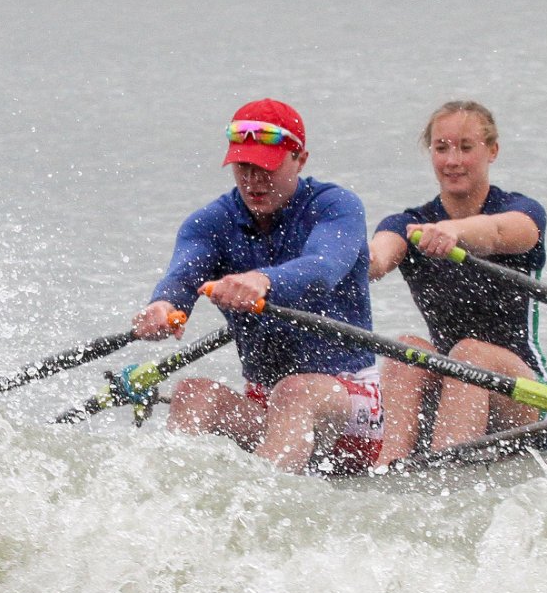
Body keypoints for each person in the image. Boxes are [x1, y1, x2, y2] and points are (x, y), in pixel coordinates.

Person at [131, 99, 383, 475]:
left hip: (348, 405)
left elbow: (324, 268)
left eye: (267, 167)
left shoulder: (336, 206)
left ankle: (260, 509)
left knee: (294, 392)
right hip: (263, 404)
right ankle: (169, 506)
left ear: (300, 158)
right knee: (193, 393)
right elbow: (181, 279)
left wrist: (263, 280)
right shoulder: (210, 223)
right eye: (243, 167)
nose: (253, 181)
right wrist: (162, 307)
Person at [367, 101, 547, 462]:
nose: (453, 160)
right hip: (452, 385)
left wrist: (452, 232)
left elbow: (497, 233)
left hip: (524, 394)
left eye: (466, 147)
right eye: (442, 148)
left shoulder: (522, 211)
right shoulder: (408, 224)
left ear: (492, 151)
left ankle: (447, 469)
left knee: (469, 352)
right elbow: (377, 259)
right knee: (406, 349)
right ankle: (390, 465)